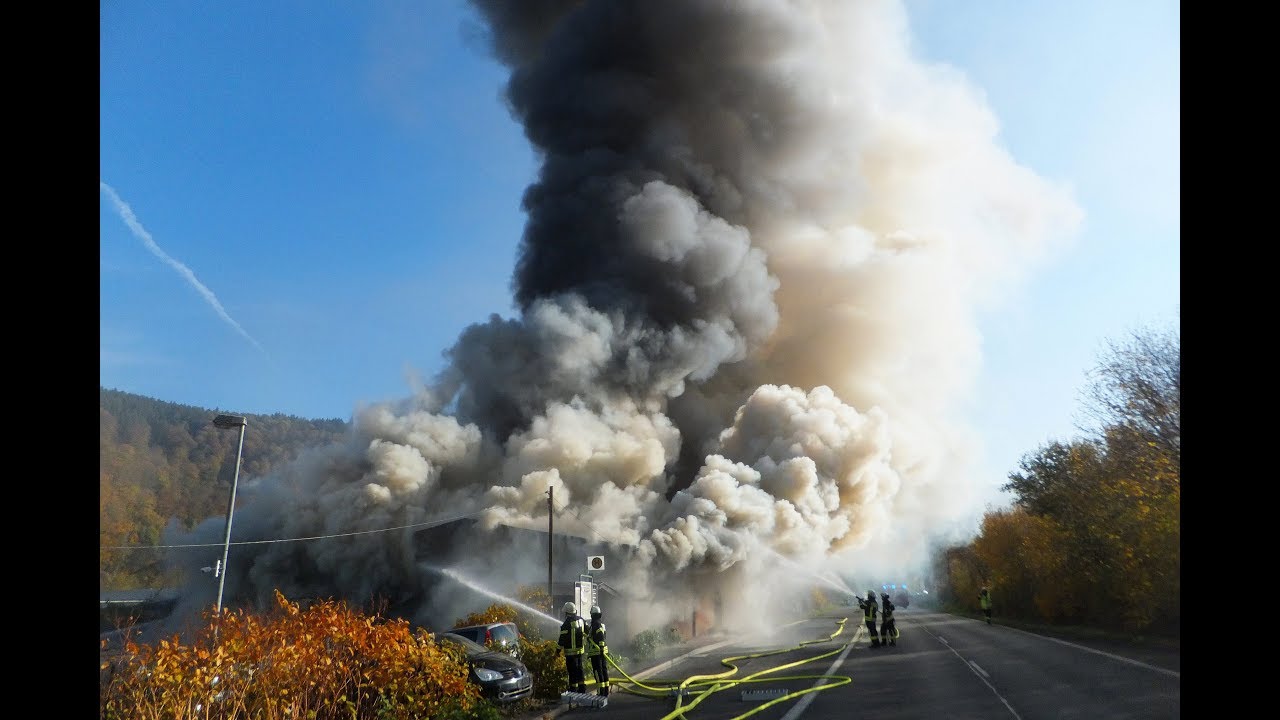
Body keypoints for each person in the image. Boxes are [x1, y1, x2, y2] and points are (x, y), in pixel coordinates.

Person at [558, 601, 588, 693]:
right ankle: (582, 688)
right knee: (580, 669)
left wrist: (557, 651)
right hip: (580, 652)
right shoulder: (581, 620)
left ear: (567, 612)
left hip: (570, 653)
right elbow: (587, 631)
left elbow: (562, 639)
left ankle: (573, 690)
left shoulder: (566, 624)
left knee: (572, 672)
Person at [585, 605, 610, 696]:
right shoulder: (601, 624)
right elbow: (601, 636)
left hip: (597, 652)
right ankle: (605, 691)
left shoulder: (596, 624)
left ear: (592, 615)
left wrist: (601, 647)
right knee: (604, 670)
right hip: (602, 651)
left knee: (598, 672)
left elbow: (600, 636)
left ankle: (600, 692)